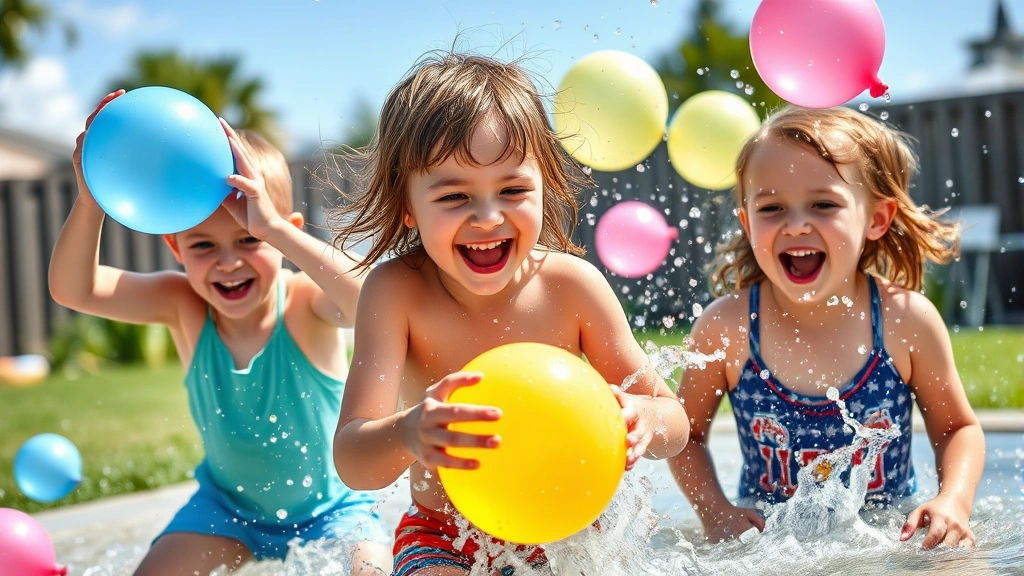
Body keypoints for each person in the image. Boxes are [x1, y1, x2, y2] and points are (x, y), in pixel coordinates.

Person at [328, 50, 690, 576]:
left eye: (514, 189)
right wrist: (408, 433)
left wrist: (643, 419)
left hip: (574, 534)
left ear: (545, 184)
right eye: (454, 196)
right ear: (408, 205)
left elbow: (674, 420)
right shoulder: (396, 293)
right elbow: (353, 459)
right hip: (446, 536)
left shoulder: (571, 286)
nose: (488, 216)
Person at [48, 90, 392, 575]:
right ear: (175, 246)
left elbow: (375, 303)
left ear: (282, 232)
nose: (228, 262)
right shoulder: (183, 306)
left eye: (250, 239)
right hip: (226, 512)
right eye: (203, 245)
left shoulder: (303, 305)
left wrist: (273, 228)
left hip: (334, 511)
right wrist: (90, 201)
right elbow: (73, 289)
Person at [668, 105, 985, 550]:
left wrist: (953, 501)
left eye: (824, 204)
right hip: (771, 549)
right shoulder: (729, 325)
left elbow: (957, 428)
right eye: (772, 207)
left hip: (885, 539)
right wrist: (716, 513)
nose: (797, 224)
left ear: (876, 218)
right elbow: (686, 435)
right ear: (747, 221)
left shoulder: (904, 321)